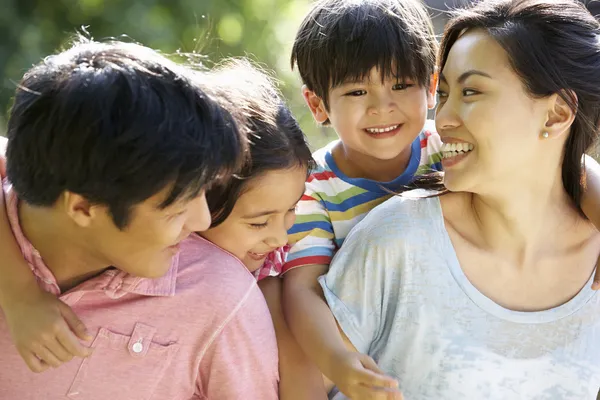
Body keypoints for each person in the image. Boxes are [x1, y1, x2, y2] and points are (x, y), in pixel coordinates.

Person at [320, 0, 600, 398]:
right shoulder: (398, 239)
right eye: (446, 93)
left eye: (471, 91)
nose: (444, 117)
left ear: (556, 115)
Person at [0, 37, 280, 399]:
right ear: (83, 207)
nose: (203, 222)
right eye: (177, 207)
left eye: (204, 191)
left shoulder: (221, 298)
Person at [282, 0, 441, 397]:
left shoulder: (449, 146)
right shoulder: (312, 189)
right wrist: (336, 359)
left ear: (432, 86)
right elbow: (303, 289)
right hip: (373, 360)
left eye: (401, 85)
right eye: (357, 90)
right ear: (318, 105)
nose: (381, 107)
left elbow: (561, 168)